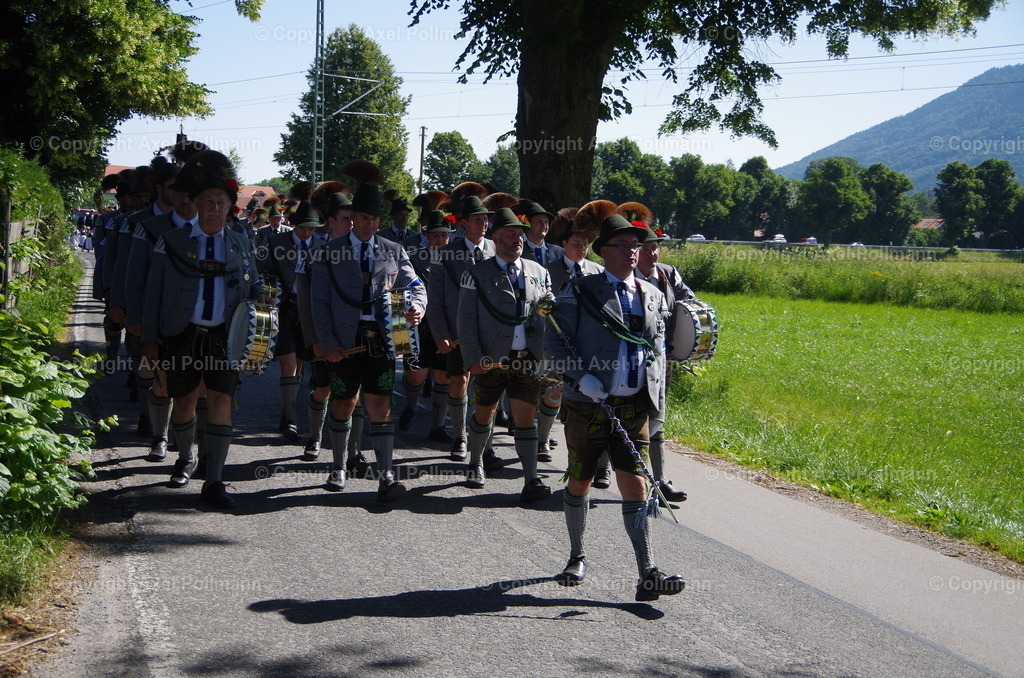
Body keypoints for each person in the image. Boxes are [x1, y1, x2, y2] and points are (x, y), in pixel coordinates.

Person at [544, 213, 686, 602]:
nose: (632, 251)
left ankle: (647, 572)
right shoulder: (580, 290)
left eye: (636, 245)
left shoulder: (653, 295)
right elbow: (554, 344)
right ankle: (576, 555)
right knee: (581, 478)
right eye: (623, 245)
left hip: (632, 405)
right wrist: (579, 378)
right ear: (603, 250)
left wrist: (656, 394)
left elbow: (658, 349)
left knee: (635, 482)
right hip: (588, 404)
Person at [141, 155, 267, 509]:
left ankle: (215, 480)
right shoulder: (171, 240)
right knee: (182, 403)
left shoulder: (240, 243)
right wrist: (149, 339)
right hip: (181, 334)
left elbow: (253, 278)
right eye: (208, 202)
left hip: (223, 338)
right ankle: (185, 459)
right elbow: (154, 293)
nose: (215, 208)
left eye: (221, 203)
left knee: (221, 400)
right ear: (195, 205)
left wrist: (260, 294)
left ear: (230, 208)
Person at [309, 182, 427, 502]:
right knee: (344, 401)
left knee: (381, 406)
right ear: (351, 218)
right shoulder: (329, 252)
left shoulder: (393, 249)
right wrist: (327, 342)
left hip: (383, 337)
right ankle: (338, 465)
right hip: (343, 340)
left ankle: (386, 474)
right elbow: (318, 302)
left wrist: (417, 306)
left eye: (374, 219)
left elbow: (415, 284)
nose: (369, 224)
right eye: (363, 218)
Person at [456, 208, 554, 501]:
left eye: (520, 234)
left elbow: (547, 317)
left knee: (526, 417)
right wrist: (473, 357)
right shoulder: (476, 274)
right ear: (495, 237)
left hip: (527, 357)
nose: (517, 239)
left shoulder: (539, 272)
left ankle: (531, 478)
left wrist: (549, 355)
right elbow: (466, 320)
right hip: (490, 358)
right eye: (510, 234)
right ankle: (475, 463)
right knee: (484, 412)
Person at [125, 160, 199, 463]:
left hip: (198, 321)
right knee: (160, 379)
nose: (183, 201)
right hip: (159, 316)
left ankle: (195, 448)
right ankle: (159, 436)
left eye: (189, 195)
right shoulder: (150, 228)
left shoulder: (213, 231)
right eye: (178, 194)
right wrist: (136, 318)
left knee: (198, 390)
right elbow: (134, 276)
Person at [628, 205, 695, 505]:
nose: (653, 254)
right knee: (621, 416)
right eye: (647, 248)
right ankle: (603, 469)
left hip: (660, 360)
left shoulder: (668, 275)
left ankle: (659, 481)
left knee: (657, 419)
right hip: (627, 359)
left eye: (655, 247)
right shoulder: (624, 277)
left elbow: (689, 302)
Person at [426, 195, 497, 465]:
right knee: (459, 381)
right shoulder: (445, 254)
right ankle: (460, 437)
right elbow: (436, 299)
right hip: (457, 332)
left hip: (491, 332)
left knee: (489, 387)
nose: (483, 223)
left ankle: (485, 442)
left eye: (486, 219)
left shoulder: (495, 249)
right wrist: (440, 333)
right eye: (477, 219)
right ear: (464, 223)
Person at [257, 200, 319, 443]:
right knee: (288, 362)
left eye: (312, 228)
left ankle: (288, 410)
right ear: (294, 226)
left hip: (309, 312)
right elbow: (257, 270)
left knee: (301, 365)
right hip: (284, 308)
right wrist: (265, 291)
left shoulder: (324, 247)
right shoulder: (275, 242)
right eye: (304, 228)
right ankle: (291, 419)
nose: (307, 232)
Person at [396, 210, 455, 442]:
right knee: (415, 374)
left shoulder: (456, 259)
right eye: (435, 235)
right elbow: (400, 286)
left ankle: (438, 426)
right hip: (417, 323)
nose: (440, 240)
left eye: (444, 235)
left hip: (445, 325)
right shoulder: (413, 257)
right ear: (427, 236)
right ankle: (411, 405)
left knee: (443, 375)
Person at [519, 201, 564, 269]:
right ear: (528, 225)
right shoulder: (519, 252)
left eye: (546, 222)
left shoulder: (559, 252)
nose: (543, 226)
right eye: (538, 222)